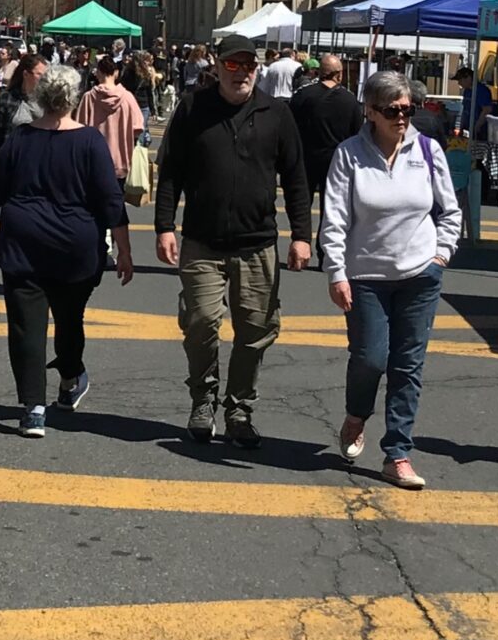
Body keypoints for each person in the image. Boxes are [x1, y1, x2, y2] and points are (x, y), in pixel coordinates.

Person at [154, 38, 311, 447]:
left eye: (248, 65)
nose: (241, 72)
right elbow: (170, 170)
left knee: (255, 330)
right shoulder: (193, 107)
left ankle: (239, 410)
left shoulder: (276, 113)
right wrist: (164, 226)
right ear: (218, 67)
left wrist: (301, 236)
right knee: (202, 321)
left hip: (257, 243)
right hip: (202, 241)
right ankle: (203, 398)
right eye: (232, 65)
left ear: (257, 70)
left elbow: (296, 178)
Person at [320, 69, 461, 490]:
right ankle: (356, 415)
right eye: (392, 110)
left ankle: (397, 453)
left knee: (408, 366)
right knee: (370, 358)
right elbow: (335, 218)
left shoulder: (429, 150)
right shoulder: (349, 154)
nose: (402, 117)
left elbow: (449, 211)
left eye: (408, 109)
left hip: (420, 274)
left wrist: (441, 255)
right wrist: (337, 272)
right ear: (371, 111)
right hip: (365, 275)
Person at [0, 63, 132, 436]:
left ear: (40, 96)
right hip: (76, 246)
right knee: (69, 317)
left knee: (26, 327)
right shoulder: (91, 141)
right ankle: (70, 376)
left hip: (23, 241)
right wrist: (123, 249)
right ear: (74, 99)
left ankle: (33, 408)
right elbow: (111, 199)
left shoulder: (20, 138)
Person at [289, 55, 361, 260]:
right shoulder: (350, 100)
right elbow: (357, 134)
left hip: (305, 158)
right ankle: (325, 253)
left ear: (319, 72)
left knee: (301, 204)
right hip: (337, 160)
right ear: (339, 74)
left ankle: (299, 245)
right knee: (331, 209)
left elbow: (289, 128)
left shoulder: (302, 96)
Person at [73, 52, 147, 188]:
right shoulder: (127, 97)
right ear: (116, 73)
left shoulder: (89, 98)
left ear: (98, 73)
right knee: (116, 204)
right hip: (120, 162)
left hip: (93, 162)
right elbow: (138, 128)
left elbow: (79, 129)